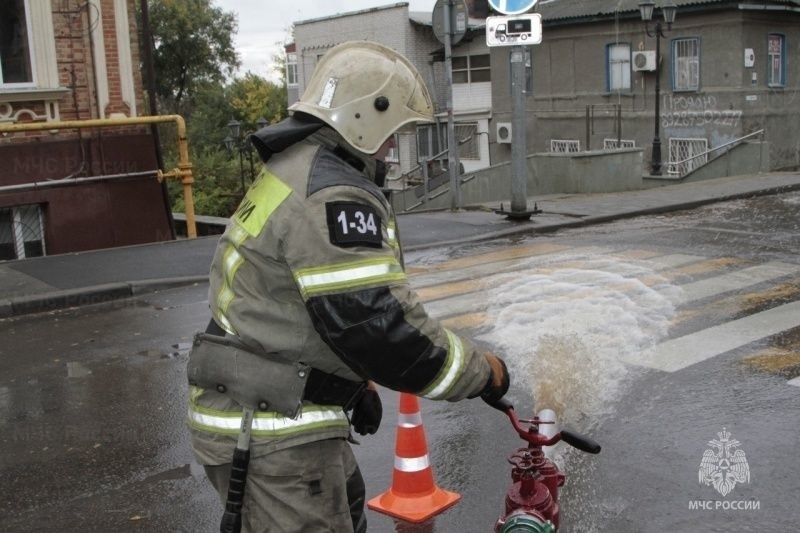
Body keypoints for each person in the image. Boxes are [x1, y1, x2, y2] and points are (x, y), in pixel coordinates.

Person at [186, 41, 511, 533]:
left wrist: (350, 385)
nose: (391, 148)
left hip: (270, 409)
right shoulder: (332, 193)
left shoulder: (293, 167)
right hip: (275, 434)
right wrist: (482, 373)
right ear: (365, 118)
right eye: (391, 134)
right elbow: (384, 331)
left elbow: (294, 308)